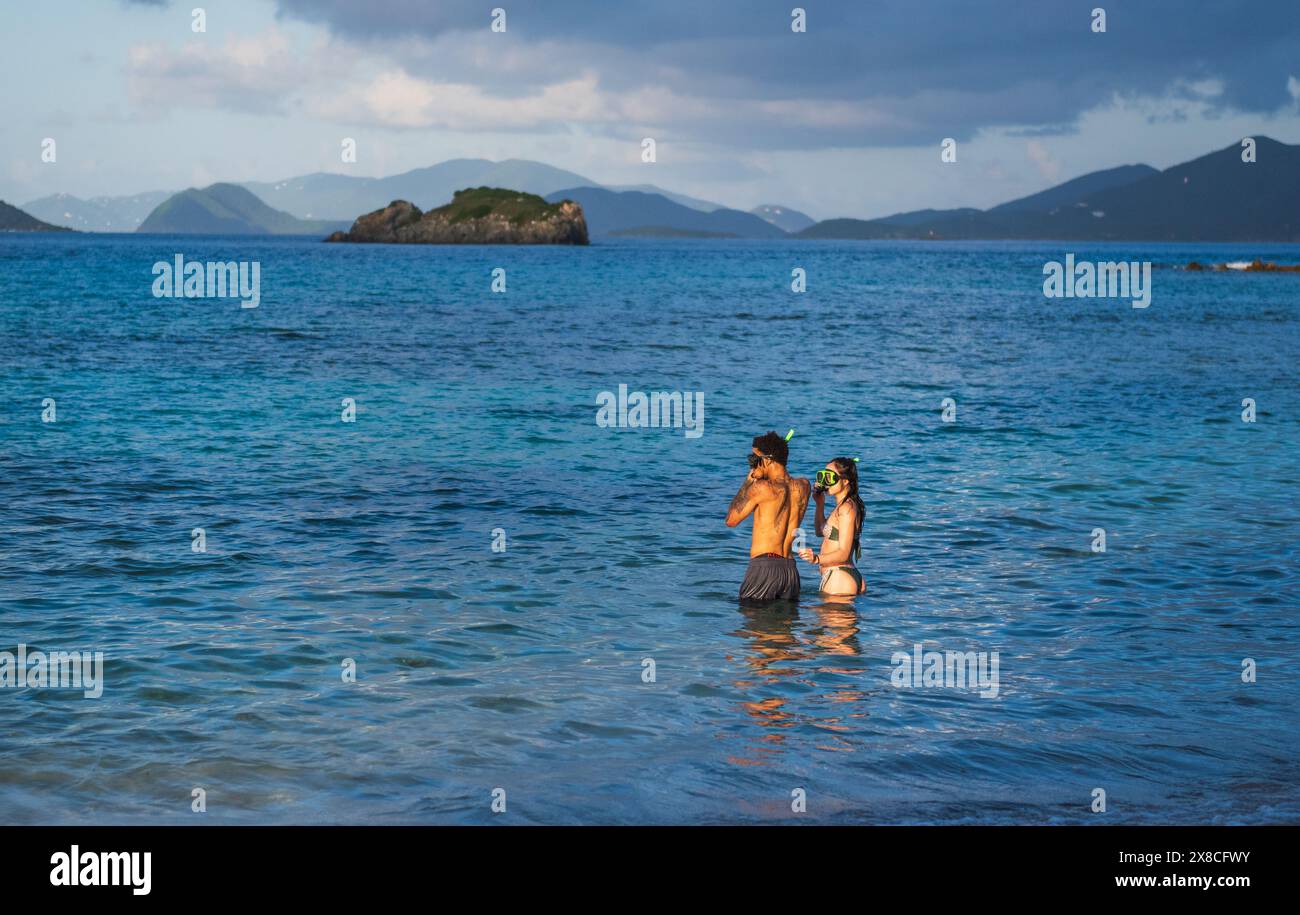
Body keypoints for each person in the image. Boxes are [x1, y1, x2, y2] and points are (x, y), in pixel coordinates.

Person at [725, 431, 810, 604]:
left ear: (768, 460)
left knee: (754, 625)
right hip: (790, 570)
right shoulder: (803, 486)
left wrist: (747, 482)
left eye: (754, 459)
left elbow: (731, 520)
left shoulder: (762, 488)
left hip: (764, 567)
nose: (752, 464)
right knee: (785, 628)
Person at [797, 457, 866, 595]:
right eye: (823, 476)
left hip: (839, 578)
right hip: (840, 576)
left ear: (845, 481)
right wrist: (819, 504)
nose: (824, 481)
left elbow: (844, 552)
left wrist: (817, 559)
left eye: (829, 477)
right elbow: (820, 531)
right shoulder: (842, 507)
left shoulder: (847, 508)